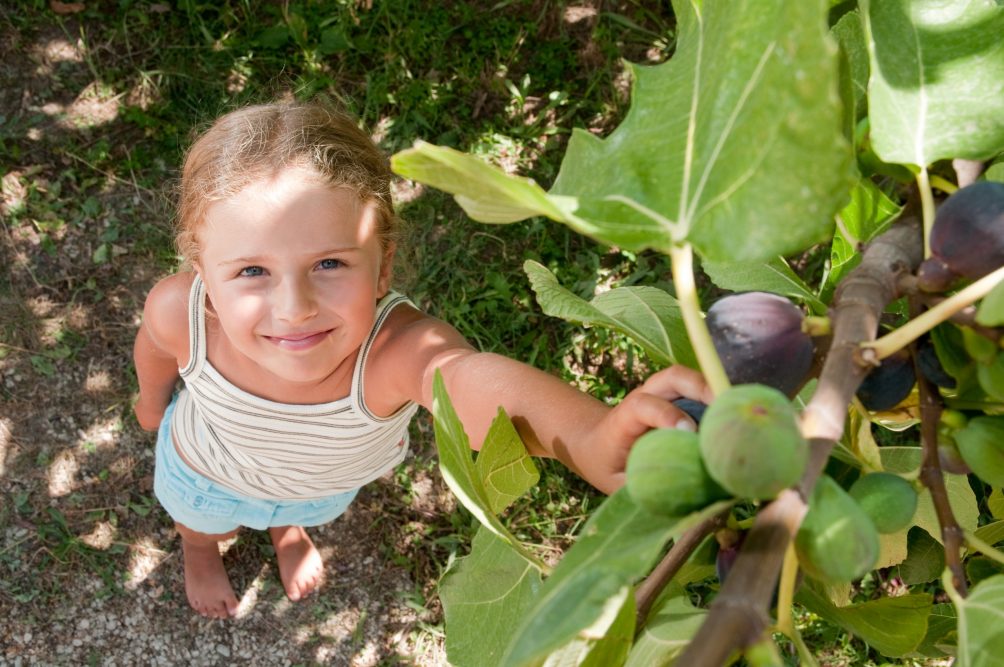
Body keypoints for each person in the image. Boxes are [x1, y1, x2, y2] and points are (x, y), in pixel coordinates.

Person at [132, 100, 711, 619]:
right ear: (203, 276)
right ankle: (201, 552)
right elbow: (156, 350)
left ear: (383, 266)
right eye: (252, 271)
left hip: (321, 488)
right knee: (202, 522)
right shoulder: (180, 312)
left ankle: (288, 528)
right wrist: (150, 400)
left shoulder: (392, 353)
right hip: (205, 473)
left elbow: (461, 380)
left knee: (295, 511)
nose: (295, 308)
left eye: (329, 265)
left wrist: (587, 435)